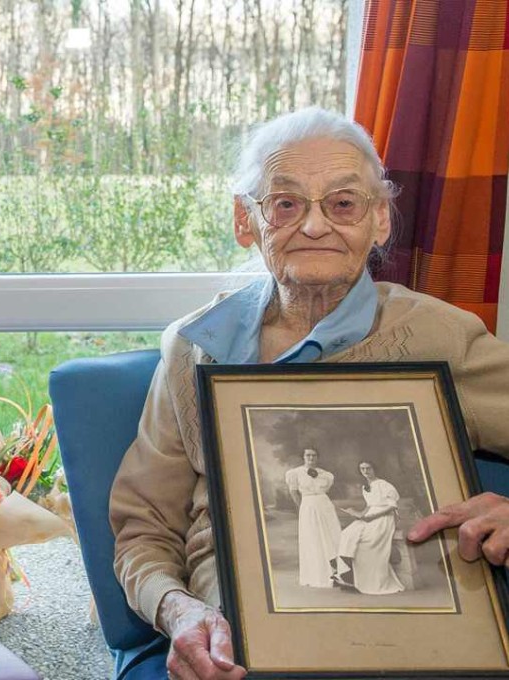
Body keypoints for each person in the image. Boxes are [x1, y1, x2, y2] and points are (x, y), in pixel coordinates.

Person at [108, 106, 509, 680]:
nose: (315, 226)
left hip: (415, 637)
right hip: (240, 642)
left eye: (343, 203)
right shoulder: (193, 347)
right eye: (286, 203)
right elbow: (143, 527)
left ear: (380, 221)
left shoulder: (440, 336)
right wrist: (178, 610)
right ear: (247, 221)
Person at [331, 461, 403, 595]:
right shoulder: (366, 487)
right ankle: (346, 573)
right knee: (347, 533)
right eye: (362, 469)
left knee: (366, 542)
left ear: (374, 468)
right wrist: (358, 514)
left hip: (384, 518)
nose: (365, 471)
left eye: (368, 468)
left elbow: (392, 506)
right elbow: (369, 506)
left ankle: (363, 580)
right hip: (370, 516)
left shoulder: (385, 485)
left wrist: (372, 517)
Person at [284, 448, 341, 588]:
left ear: (318, 457)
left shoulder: (326, 475)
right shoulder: (295, 473)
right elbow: (294, 493)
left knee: (332, 537)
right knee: (313, 538)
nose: (311, 457)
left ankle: (337, 572)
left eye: (314, 455)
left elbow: (325, 491)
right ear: (303, 457)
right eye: (308, 455)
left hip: (325, 506)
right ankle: (317, 575)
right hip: (308, 505)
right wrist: (303, 507)